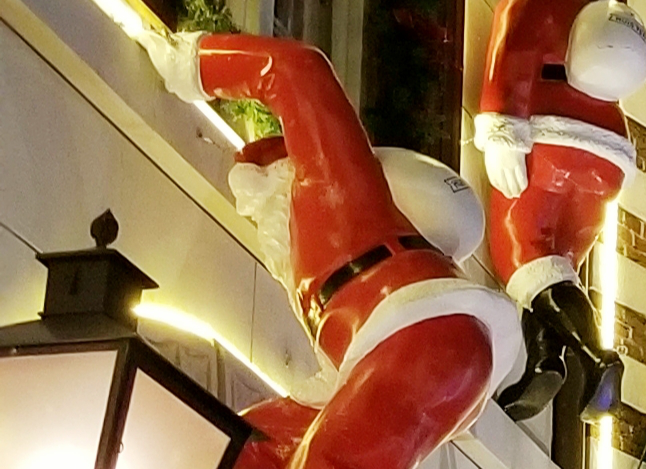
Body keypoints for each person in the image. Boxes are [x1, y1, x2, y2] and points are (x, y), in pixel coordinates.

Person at [137, 29, 520, 469]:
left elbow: (300, 69)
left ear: (283, 175)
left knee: (327, 461)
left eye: (256, 203)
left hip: (416, 332)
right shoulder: (329, 289)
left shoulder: (330, 188)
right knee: (251, 444)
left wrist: (188, 62)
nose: (259, 219)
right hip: (410, 350)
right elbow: (310, 417)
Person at [475, 0, 646, 419]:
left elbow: (511, 57)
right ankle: (544, 363)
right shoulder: (603, 10)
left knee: (524, 254)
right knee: (557, 268)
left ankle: (596, 356)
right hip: (607, 160)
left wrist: (503, 132)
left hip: (552, 142)